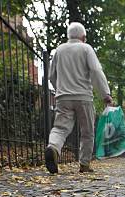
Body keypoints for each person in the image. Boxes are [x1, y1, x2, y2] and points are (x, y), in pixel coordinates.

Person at [45, 22, 113, 174]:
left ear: (69, 36)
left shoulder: (60, 50)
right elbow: (96, 70)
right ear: (83, 37)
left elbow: (51, 75)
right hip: (84, 97)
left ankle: (53, 148)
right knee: (87, 131)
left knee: (60, 128)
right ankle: (84, 164)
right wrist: (105, 94)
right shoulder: (86, 48)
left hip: (63, 97)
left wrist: (59, 89)